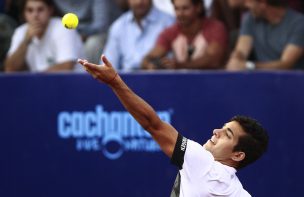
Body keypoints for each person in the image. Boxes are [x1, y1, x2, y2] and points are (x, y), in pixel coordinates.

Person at [78, 55, 269, 196]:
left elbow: (153, 124)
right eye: (222, 127)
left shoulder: (202, 163)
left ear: (237, 155)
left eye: (227, 134)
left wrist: (115, 82)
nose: (216, 131)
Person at [141, 0, 228, 70]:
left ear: (198, 7)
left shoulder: (216, 28)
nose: (180, 13)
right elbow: (149, 58)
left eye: (185, 8)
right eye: (176, 9)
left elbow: (213, 60)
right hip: (181, 86)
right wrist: (150, 65)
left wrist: (180, 65)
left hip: (212, 84)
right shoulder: (170, 32)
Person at [4, 0, 84, 73]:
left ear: (50, 10)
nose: (35, 15)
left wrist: (35, 80)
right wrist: (26, 40)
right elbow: (10, 69)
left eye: (40, 10)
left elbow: (66, 67)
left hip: (73, 85)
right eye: (30, 10)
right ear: (24, 13)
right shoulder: (20, 32)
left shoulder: (64, 28)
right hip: (42, 85)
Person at [226, 0, 304, 70]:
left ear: (262, 3)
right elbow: (241, 50)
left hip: (291, 80)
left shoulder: (299, 24)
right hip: (261, 78)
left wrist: (249, 66)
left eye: (249, 1)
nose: (246, 4)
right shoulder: (250, 19)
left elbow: (285, 64)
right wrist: (236, 58)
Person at [102, 0, 174, 71]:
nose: (139, 2)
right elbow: (107, 67)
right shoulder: (118, 26)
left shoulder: (169, 22)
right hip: (125, 80)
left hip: (159, 78)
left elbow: (173, 65)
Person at [53, 0, 122, 64]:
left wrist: (80, 34)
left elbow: (100, 25)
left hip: (100, 33)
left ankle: (91, 74)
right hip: (71, 32)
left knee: (93, 44)